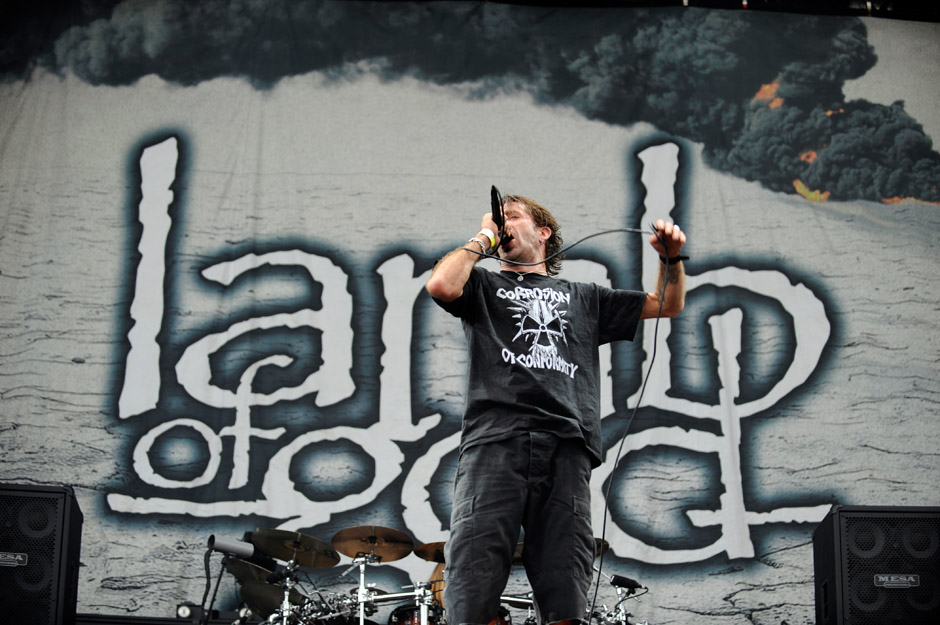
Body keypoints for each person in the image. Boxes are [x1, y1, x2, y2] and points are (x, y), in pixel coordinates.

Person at [425, 194, 687, 625]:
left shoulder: (585, 297)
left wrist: (672, 260)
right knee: (473, 575)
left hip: (566, 446)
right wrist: (484, 235)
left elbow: (667, 304)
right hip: (495, 442)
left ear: (543, 232)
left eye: (513, 216)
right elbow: (441, 286)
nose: (502, 222)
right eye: (497, 218)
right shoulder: (484, 285)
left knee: (566, 582)